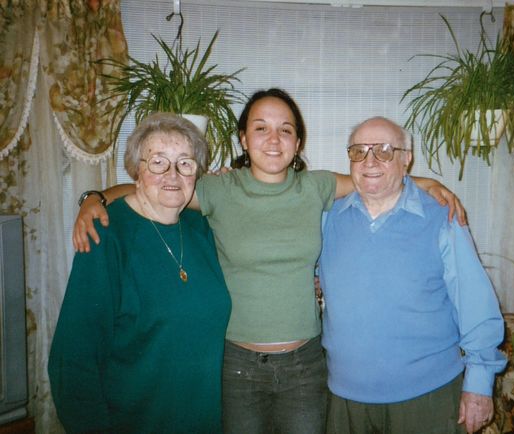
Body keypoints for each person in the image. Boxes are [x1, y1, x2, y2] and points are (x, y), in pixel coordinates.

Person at [72, 89, 466, 434]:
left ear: (297, 143)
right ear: (243, 138)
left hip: (306, 365)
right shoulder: (217, 189)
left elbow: (376, 179)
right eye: (261, 128)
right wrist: (96, 197)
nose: (273, 139)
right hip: (238, 367)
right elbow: (156, 189)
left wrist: (424, 183)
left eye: (286, 129)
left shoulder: (318, 186)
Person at [319, 117, 506, 434]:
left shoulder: (442, 217)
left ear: (406, 159)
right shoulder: (327, 219)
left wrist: (479, 383)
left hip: (427, 397)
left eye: (384, 150)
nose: (370, 161)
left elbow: (476, 303)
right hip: (346, 400)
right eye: (359, 151)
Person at [48, 113, 232, 433]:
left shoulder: (201, 230)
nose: (172, 174)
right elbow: (73, 362)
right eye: (158, 162)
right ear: (136, 170)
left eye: (185, 163)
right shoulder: (107, 234)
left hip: (204, 422)